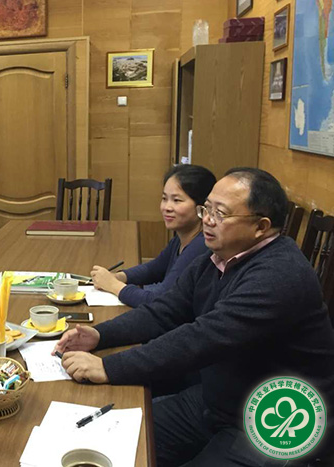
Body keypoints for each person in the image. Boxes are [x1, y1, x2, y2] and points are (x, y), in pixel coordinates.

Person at [54, 168, 334, 466]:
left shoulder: (279, 275)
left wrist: (108, 366)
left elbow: (201, 338)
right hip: (223, 399)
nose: (207, 220)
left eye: (220, 213)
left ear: (260, 227)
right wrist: (100, 335)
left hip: (278, 420)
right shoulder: (217, 259)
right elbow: (164, 311)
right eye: (207, 209)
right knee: (110, 440)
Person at [91, 164, 216, 308]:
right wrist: (119, 276)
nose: (167, 207)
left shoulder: (201, 245)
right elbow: (154, 269)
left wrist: (113, 285)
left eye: (177, 200)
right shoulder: (182, 237)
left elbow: (159, 301)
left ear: (202, 207)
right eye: (164, 198)